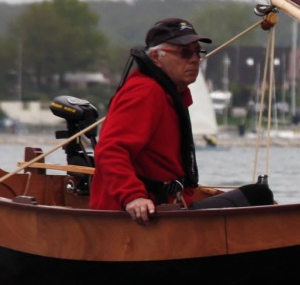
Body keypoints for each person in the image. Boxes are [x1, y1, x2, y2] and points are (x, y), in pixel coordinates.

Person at [89, 18, 273, 224]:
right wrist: (133, 196)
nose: (195, 59)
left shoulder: (167, 92)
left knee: (258, 195)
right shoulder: (145, 92)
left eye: (198, 52)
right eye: (185, 52)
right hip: (146, 214)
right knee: (258, 196)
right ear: (156, 57)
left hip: (170, 205)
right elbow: (110, 150)